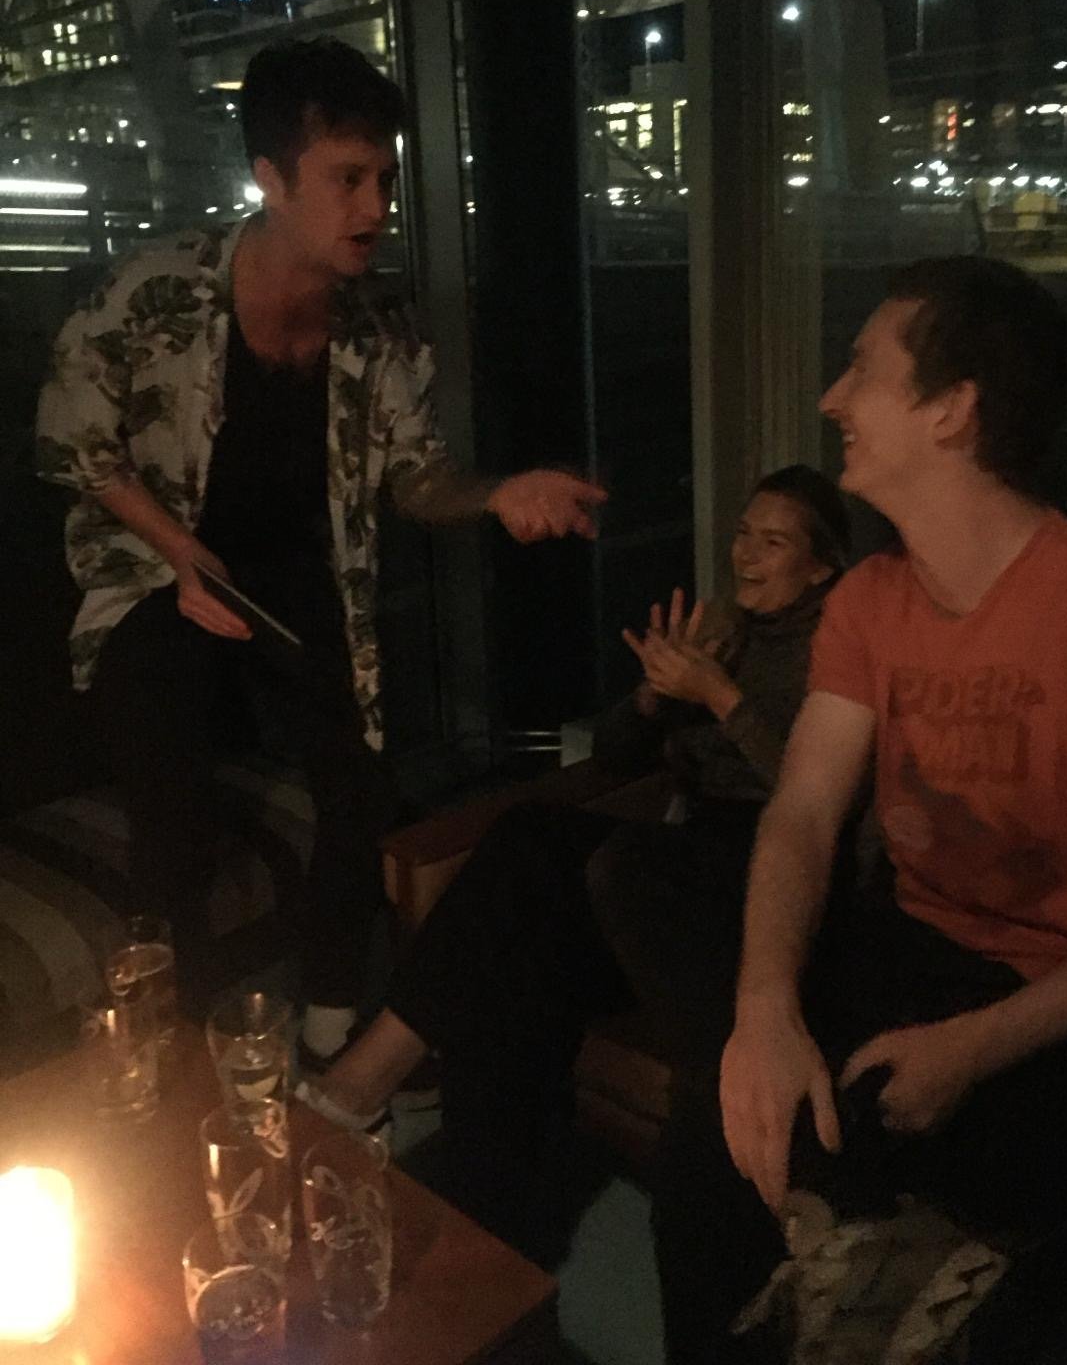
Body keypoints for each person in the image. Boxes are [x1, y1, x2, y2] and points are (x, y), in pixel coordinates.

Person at [647, 256, 1067, 1364]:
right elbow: (803, 811)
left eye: (861, 369)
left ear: (952, 410)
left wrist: (972, 1050)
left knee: (817, 1173)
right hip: (926, 950)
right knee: (711, 1127)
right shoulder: (871, 597)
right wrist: (765, 1009)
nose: (830, 399)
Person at [35, 36, 605, 1045]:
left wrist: (497, 494)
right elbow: (70, 440)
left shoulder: (381, 323)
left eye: (384, 178)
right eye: (348, 179)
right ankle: (178, 1036)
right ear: (271, 178)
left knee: (361, 784)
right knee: (170, 805)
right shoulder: (157, 289)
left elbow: (415, 476)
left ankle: (331, 1035)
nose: (375, 206)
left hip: (301, 574)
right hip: (158, 567)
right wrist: (181, 555)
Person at [298, 464, 850, 1262]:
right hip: (675, 858)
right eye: (742, 534)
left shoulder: (838, 651)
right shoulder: (722, 630)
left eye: (774, 542)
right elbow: (617, 756)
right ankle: (488, 1229)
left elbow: (815, 796)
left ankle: (365, 1080)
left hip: (764, 876)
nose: (746, 555)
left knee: (536, 839)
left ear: (820, 567)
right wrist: (654, 697)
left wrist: (721, 698)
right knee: (518, 966)